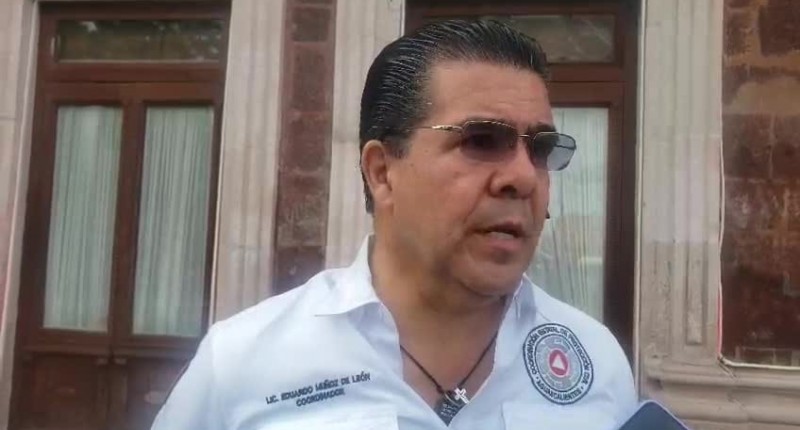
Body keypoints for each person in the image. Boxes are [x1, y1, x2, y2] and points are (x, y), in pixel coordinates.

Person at [151, 19, 636, 430]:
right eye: (482, 140)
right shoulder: (242, 364)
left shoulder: (596, 363)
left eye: (541, 149)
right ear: (382, 172)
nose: (524, 177)